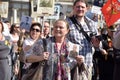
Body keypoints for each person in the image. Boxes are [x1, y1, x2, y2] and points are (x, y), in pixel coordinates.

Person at [66, 0, 99, 80]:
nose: (80, 9)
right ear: (73, 8)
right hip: (72, 65)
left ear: (86, 9)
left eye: (82, 7)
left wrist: (97, 44)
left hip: (87, 65)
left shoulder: (92, 23)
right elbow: (60, 41)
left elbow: (98, 46)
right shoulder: (67, 22)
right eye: (78, 7)